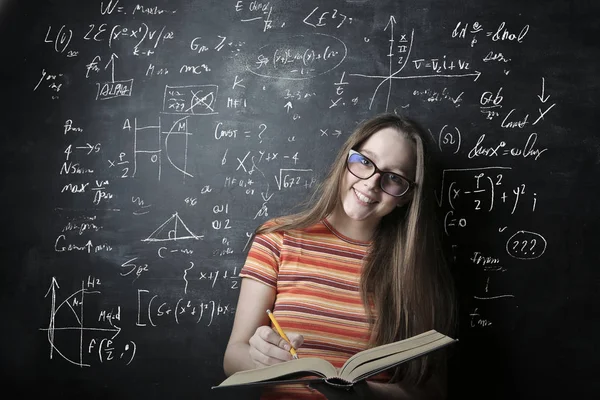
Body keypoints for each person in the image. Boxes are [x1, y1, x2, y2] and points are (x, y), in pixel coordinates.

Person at [223, 113, 457, 399]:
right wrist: (262, 360)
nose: (371, 183)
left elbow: (432, 392)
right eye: (365, 162)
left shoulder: (411, 268)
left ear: (405, 196)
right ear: (347, 160)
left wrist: (363, 393)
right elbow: (233, 358)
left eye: (393, 178)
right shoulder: (278, 237)